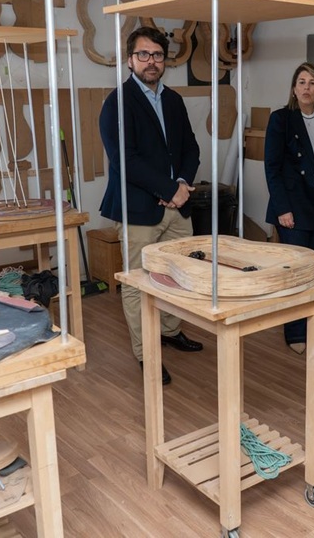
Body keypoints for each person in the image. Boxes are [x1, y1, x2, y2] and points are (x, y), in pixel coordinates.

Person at [99, 26, 203, 385]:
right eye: (143, 54)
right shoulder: (117, 102)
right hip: (139, 209)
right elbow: (124, 159)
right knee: (138, 283)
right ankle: (147, 353)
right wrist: (167, 189)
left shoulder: (173, 100)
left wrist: (181, 184)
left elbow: (191, 147)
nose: (151, 61)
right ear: (130, 60)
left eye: (157, 55)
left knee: (179, 276)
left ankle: (170, 331)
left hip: (178, 205)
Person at [264, 62, 314, 354]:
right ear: (293, 89)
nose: (306, 88)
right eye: (301, 82)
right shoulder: (281, 119)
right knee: (297, 270)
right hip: (294, 203)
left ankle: (310, 322)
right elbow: (272, 168)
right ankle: (295, 333)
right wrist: (282, 208)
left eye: (312, 82)